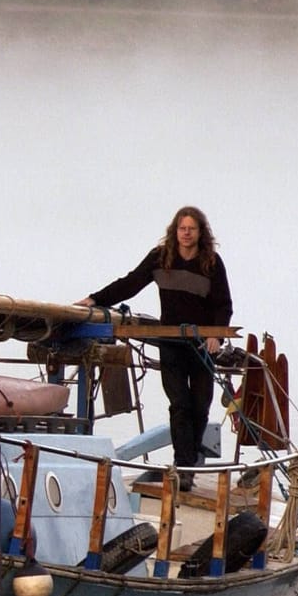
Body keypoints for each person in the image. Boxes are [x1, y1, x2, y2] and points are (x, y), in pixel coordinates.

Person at [78, 207, 232, 485]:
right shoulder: (160, 258)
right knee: (179, 404)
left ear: (200, 233)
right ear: (175, 231)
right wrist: (95, 299)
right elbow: (130, 284)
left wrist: (217, 337)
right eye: (182, 229)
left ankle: (188, 463)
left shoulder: (211, 262)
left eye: (191, 229)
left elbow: (224, 305)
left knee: (200, 406)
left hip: (201, 345)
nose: (186, 234)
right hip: (170, 341)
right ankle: (183, 468)